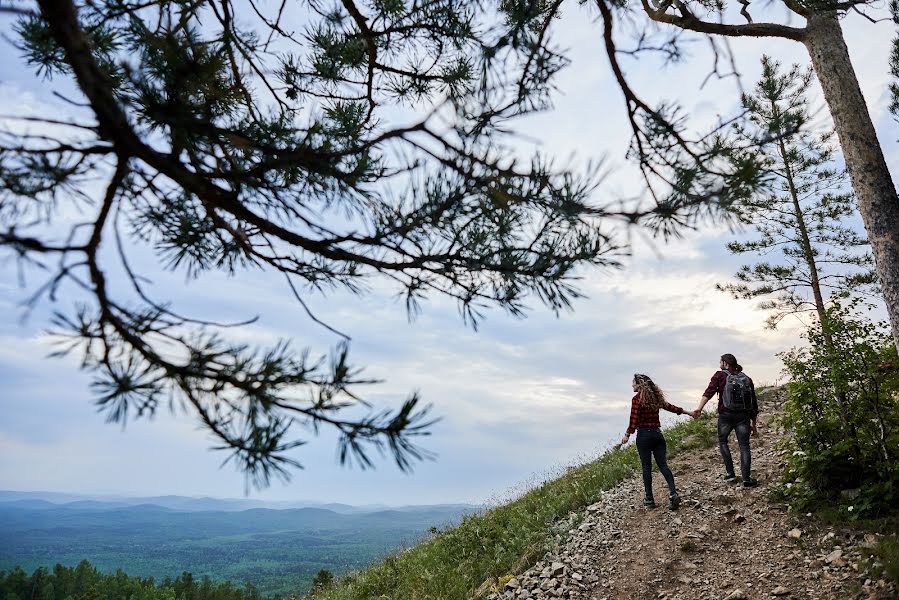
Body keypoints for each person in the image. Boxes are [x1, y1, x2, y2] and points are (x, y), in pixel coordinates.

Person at [620, 373, 691, 510]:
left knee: (646, 468)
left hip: (643, 436)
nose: (632, 385)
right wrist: (689, 413)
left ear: (640, 384)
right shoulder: (655, 398)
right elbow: (671, 407)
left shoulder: (636, 400)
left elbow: (633, 421)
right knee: (663, 465)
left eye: (634, 383)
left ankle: (649, 499)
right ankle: (673, 493)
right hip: (658, 435)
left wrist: (627, 435)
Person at [694, 353, 760, 487]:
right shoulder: (746, 378)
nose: (719, 364)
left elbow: (709, 392)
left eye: (720, 361)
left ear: (725, 363)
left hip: (725, 415)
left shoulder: (719, 375)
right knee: (744, 446)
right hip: (743, 416)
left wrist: (699, 409)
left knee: (723, 441)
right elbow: (753, 404)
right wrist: (754, 424)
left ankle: (730, 474)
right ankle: (746, 479)